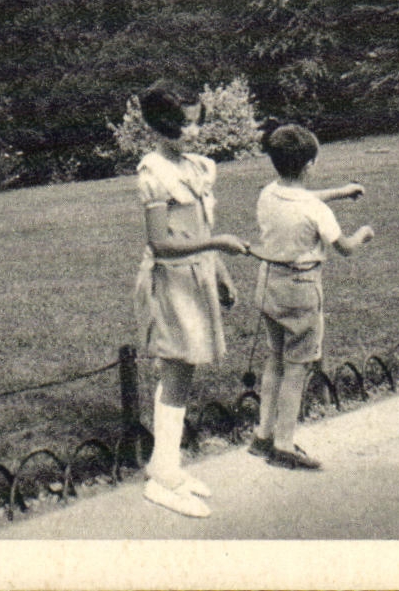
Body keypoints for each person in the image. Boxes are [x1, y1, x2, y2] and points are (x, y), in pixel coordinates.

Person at [132, 79, 249, 518]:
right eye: (185, 125)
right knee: (178, 368)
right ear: (162, 127)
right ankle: (163, 478)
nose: (195, 133)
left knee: (183, 371)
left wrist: (220, 271)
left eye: (197, 123)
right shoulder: (153, 173)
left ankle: (165, 466)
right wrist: (217, 244)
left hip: (197, 275)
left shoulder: (198, 167)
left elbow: (199, 228)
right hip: (172, 280)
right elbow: (161, 245)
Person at [244, 120, 373, 471]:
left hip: (268, 282)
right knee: (298, 368)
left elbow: (301, 197)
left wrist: (341, 191)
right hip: (301, 290)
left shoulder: (268, 193)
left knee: (275, 358)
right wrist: (363, 233)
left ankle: (263, 435)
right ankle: (285, 445)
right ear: (309, 165)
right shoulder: (316, 211)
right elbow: (344, 247)